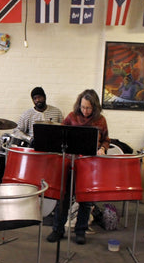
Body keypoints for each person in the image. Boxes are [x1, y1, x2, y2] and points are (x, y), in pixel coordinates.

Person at [47, 89, 111, 245]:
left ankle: (80, 231)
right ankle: (57, 230)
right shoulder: (71, 117)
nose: (85, 111)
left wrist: (103, 148)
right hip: (70, 162)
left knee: (85, 200)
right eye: (83, 107)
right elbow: (60, 136)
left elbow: (106, 140)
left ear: (94, 107)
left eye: (89, 108)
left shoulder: (100, 120)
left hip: (89, 165)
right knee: (63, 198)